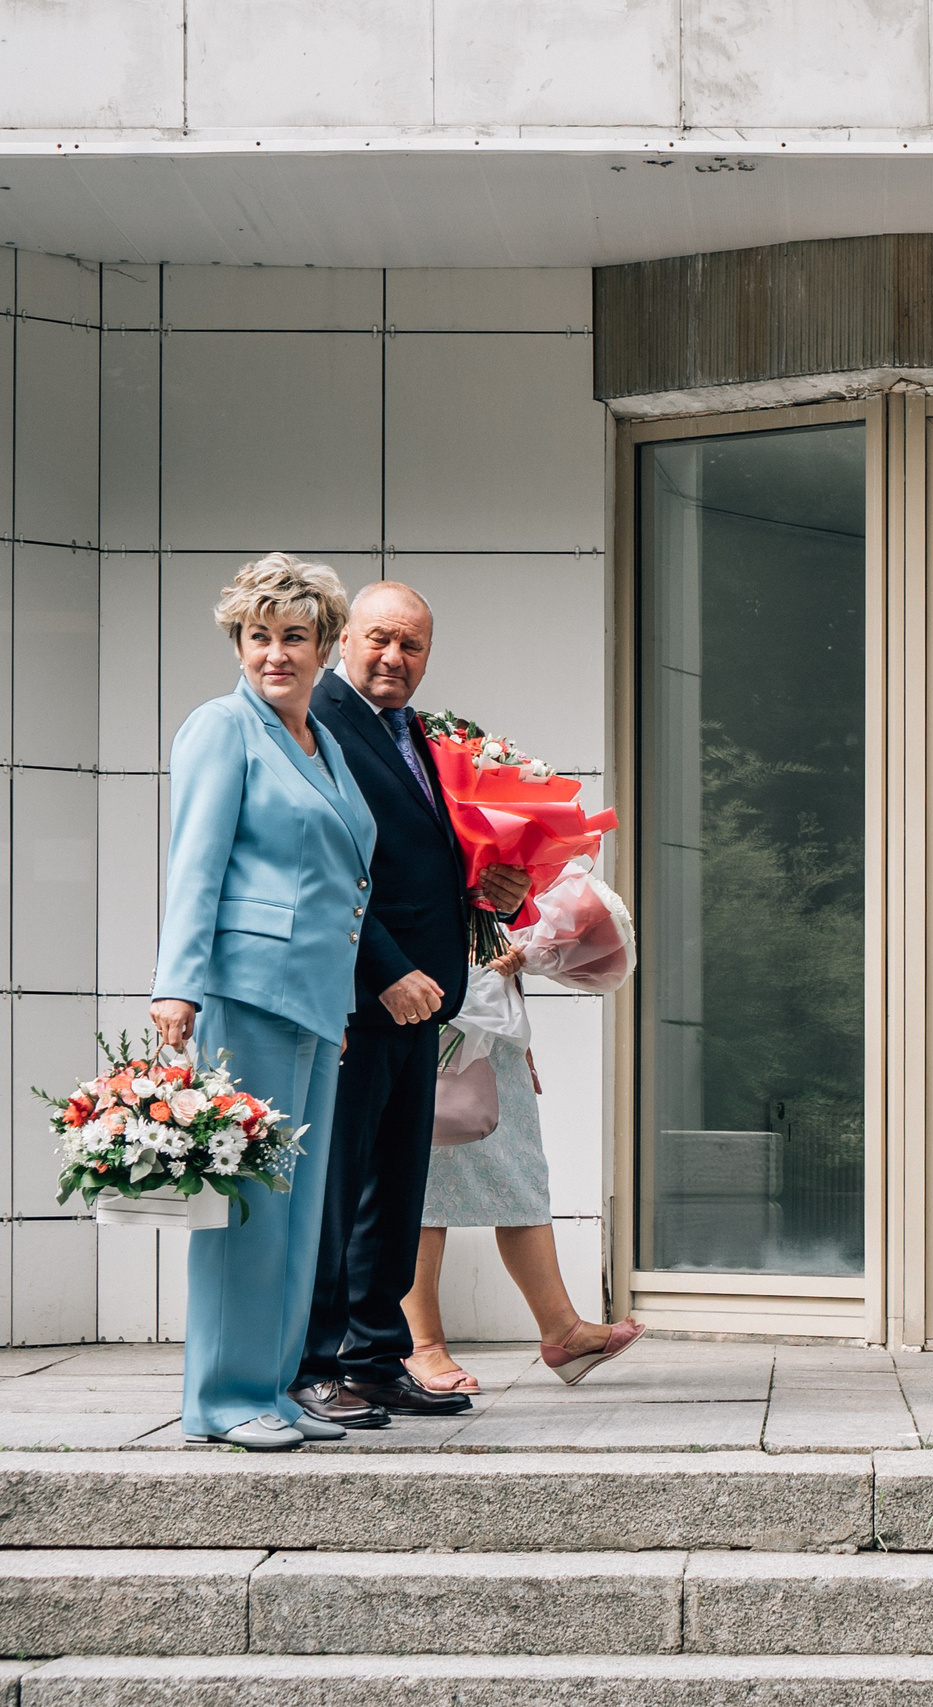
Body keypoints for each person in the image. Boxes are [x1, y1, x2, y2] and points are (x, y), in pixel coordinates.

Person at [150, 554, 376, 1451]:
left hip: (315, 1003)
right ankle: (222, 1395)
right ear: (238, 643)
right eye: (259, 636)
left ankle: (273, 1387)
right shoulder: (222, 728)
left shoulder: (318, 739)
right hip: (245, 992)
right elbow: (194, 862)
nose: (275, 653)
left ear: (323, 645)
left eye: (294, 636)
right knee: (246, 1204)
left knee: (296, 1206)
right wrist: (177, 983)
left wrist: (341, 1007)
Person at [292, 582, 531, 1427]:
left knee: (393, 1190)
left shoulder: (412, 733)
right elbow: (329, 872)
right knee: (336, 1187)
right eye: (381, 639)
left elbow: (420, 857)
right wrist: (386, 971)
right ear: (345, 638)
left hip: (424, 1000)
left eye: (414, 646)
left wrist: (488, 888)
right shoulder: (317, 721)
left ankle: (377, 1355)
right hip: (358, 998)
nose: (395, 658)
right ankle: (314, 1363)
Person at [400, 943, 648, 1392]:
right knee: (421, 1188)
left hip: (491, 1022)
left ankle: (562, 1330)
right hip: (427, 1007)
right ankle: (422, 1345)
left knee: (520, 1180)